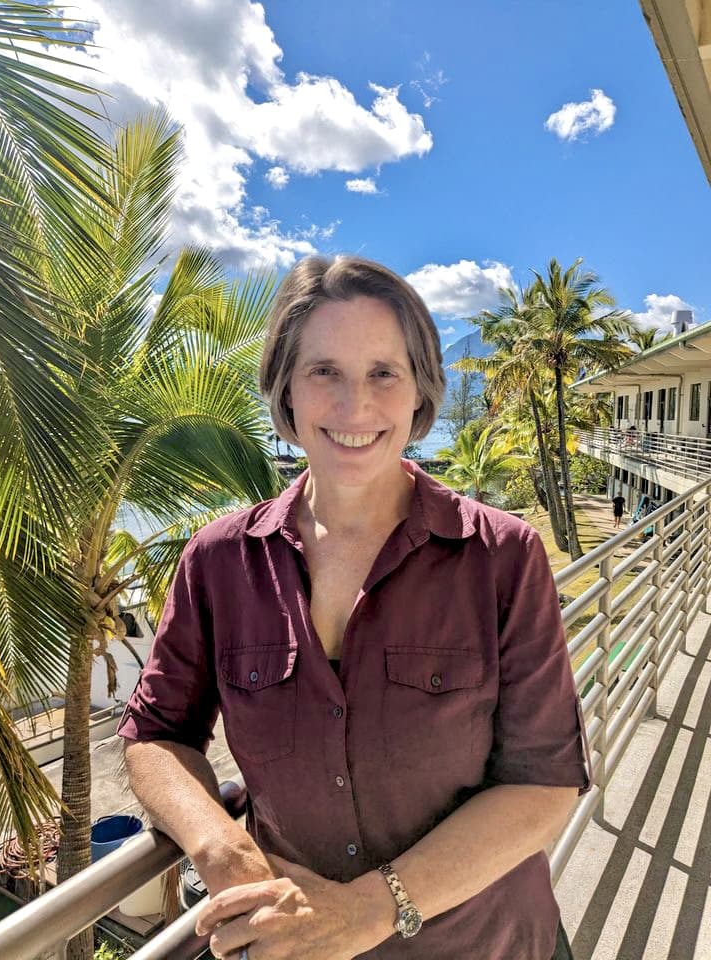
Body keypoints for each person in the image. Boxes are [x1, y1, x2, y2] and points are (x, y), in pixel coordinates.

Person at [118, 255, 591, 960]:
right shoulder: (219, 562)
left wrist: (369, 911)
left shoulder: (502, 556)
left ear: (418, 390)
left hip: (487, 945)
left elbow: (546, 782)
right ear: (285, 387)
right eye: (324, 372)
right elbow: (156, 733)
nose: (353, 407)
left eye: (382, 373)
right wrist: (222, 847)